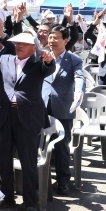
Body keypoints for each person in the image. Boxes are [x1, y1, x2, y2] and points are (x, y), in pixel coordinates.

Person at [0, 31, 55, 211]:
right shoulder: (5, 60)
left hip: (27, 118)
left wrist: (49, 60)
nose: (19, 46)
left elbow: (49, 69)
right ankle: (6, 196)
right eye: (17, 43)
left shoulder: (38, 62)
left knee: (28, 161)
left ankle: (30, 201)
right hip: (5, 115)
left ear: (33, 47)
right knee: (3, 158)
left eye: (24, 44)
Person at [43, 25, 86, 195]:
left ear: (66, 40)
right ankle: (40, 178)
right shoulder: (43, 56)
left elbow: (79, 77)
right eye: (50, 37)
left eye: (56, 38)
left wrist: (78, 93)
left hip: (63, 107)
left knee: (62, 146)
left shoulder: (74, 60)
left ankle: (63, 181)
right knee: (40, 144)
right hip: (42, 106)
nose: (52, 41)